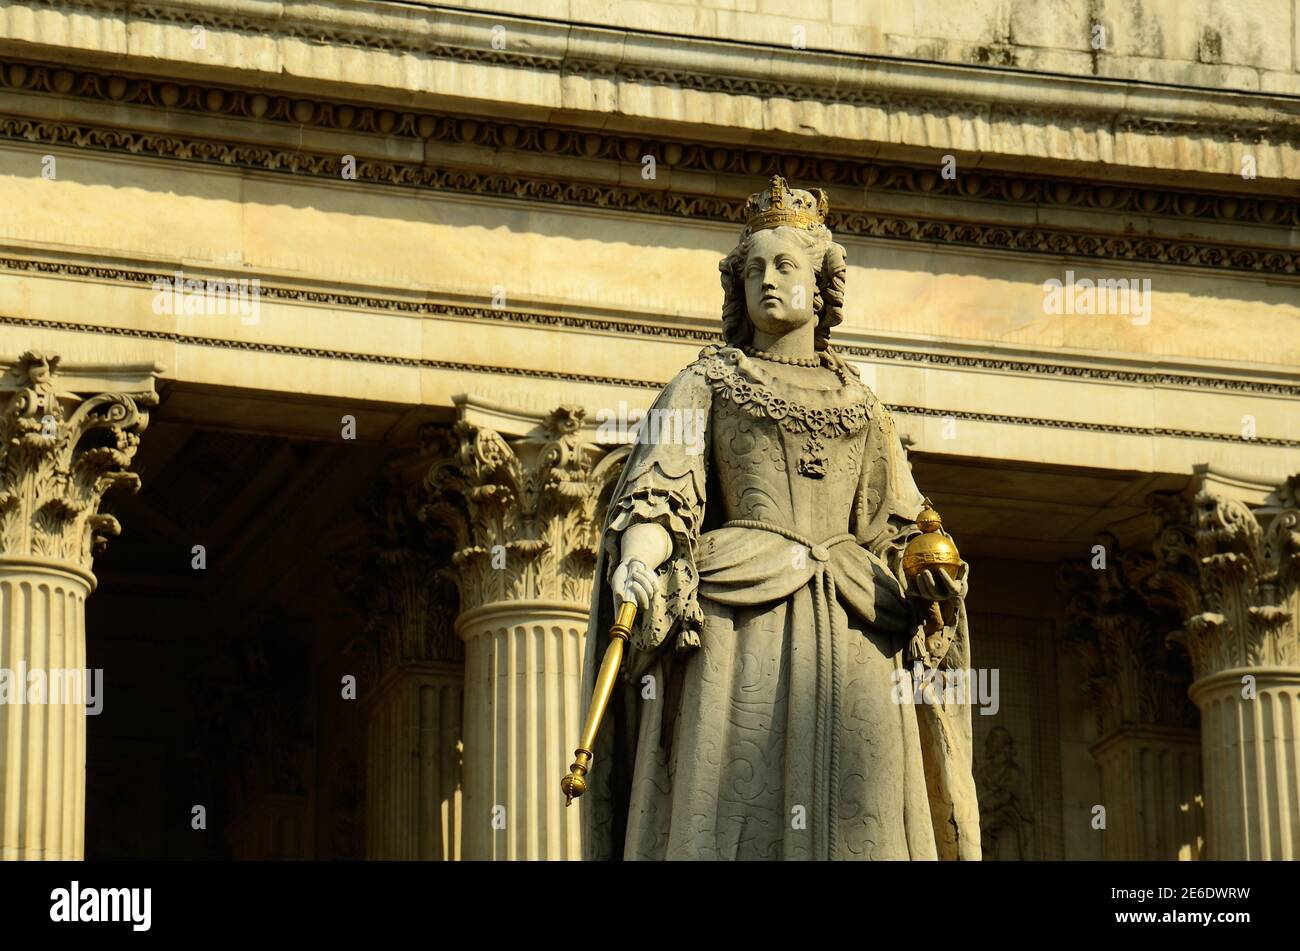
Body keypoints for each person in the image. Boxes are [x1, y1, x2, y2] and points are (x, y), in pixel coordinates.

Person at [580, 175, 980, 860]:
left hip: (857, 629)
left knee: (865, 817)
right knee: (734, 815)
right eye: (754, 268)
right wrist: (639, 562)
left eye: (785, 265)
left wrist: (927, 572)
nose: (767, 280)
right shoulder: (704, 382)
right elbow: (660, 496)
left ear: (821, 284)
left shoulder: (866, 406)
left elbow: (898, 527)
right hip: (739, 623)